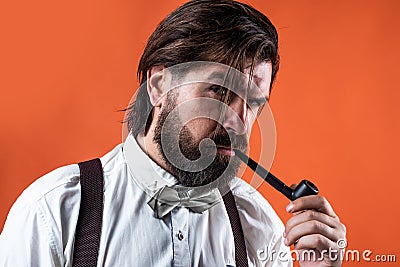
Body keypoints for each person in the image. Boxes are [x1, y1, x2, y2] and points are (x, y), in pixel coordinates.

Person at [0, 0, 346, 266]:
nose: (240, 122)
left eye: (254, 102)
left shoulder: (257, 225)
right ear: (158, 84)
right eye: (220, 91)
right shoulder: (54, 212)